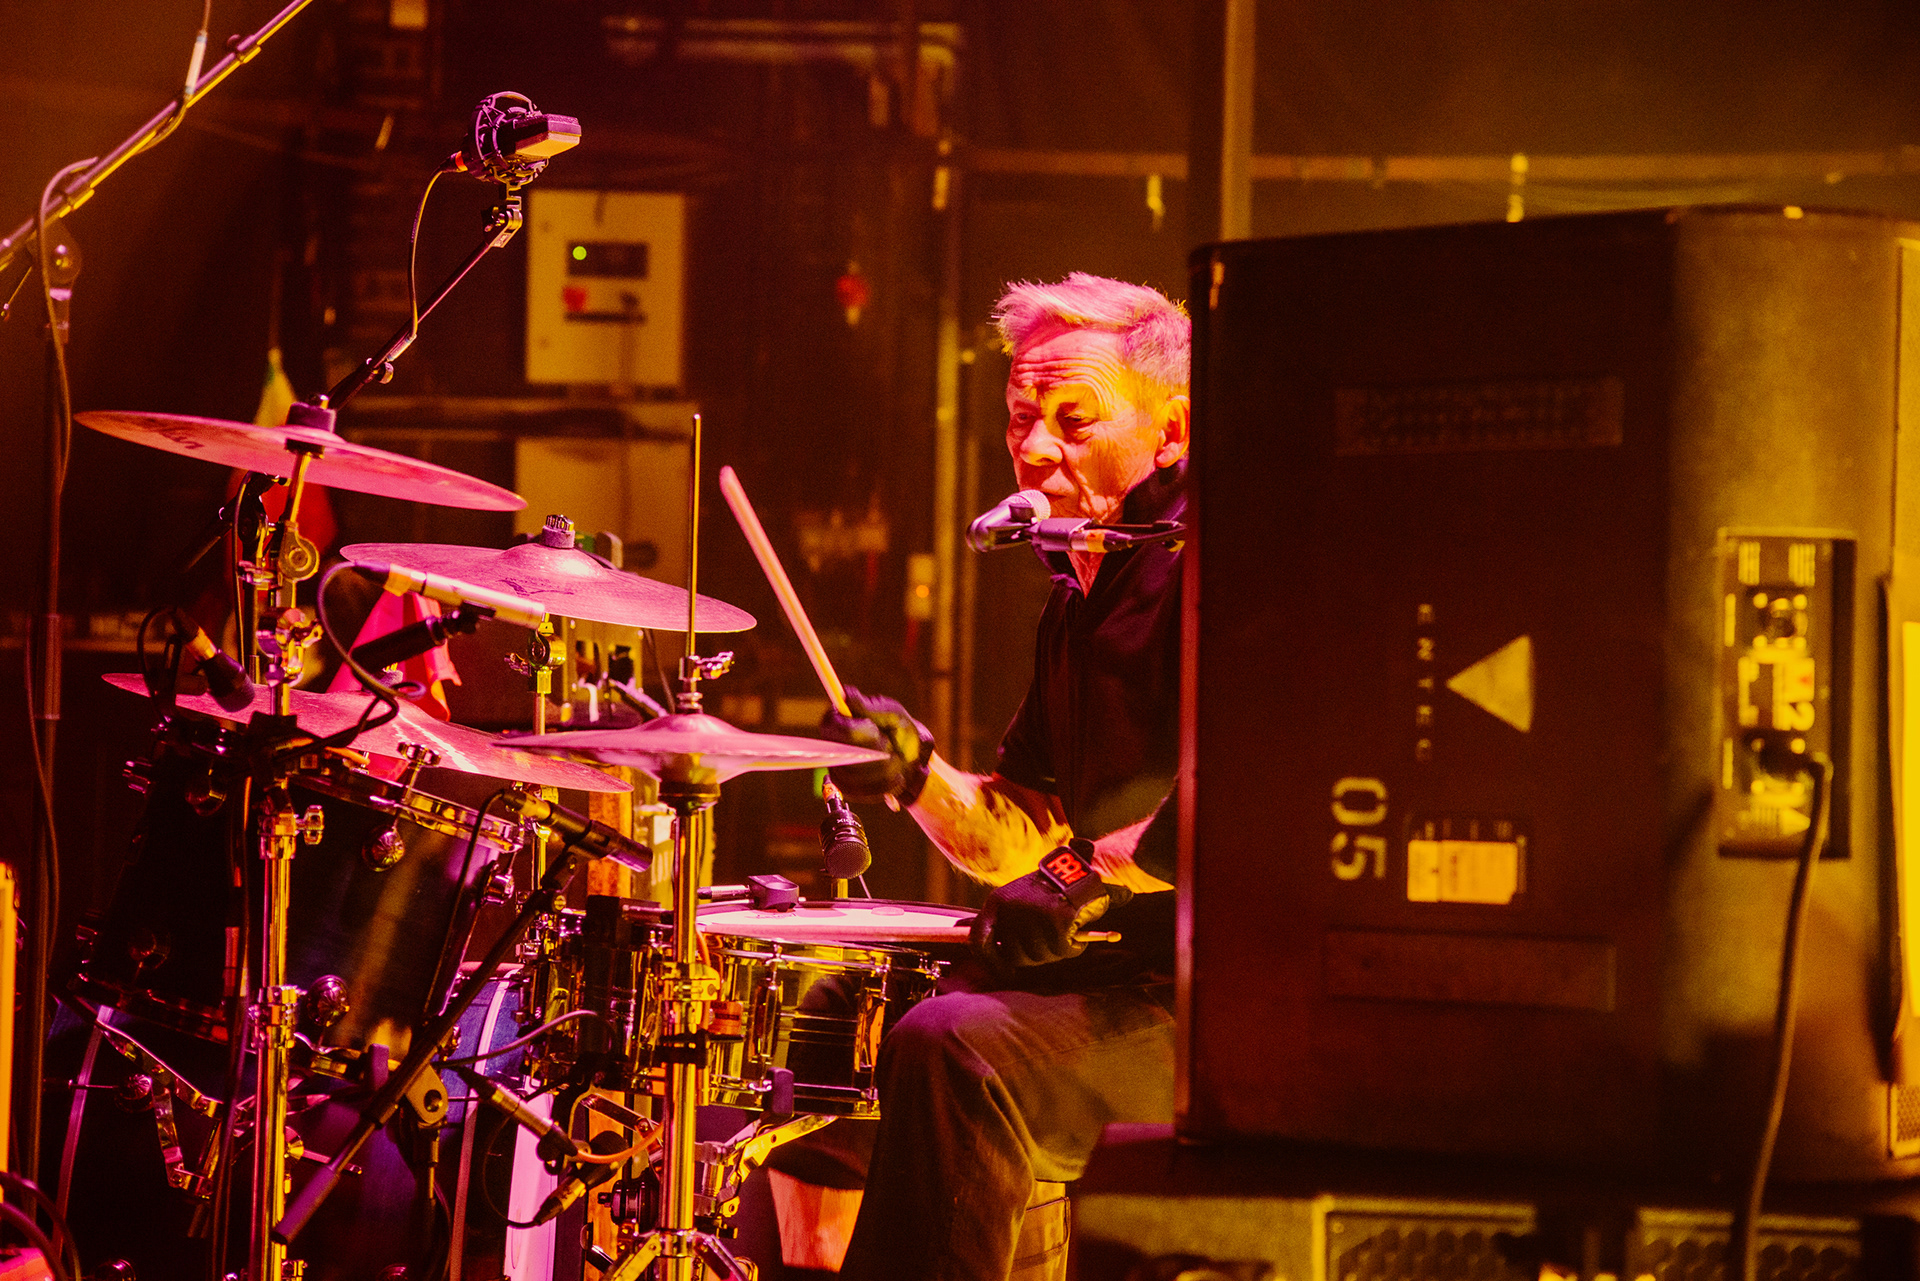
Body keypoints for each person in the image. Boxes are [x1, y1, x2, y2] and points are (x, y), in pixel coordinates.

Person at [819, 271, 1190, 1280]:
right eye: (1024, 418)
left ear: (1170, 431)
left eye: (1074, 419)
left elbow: (1241, 792)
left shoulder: (1213, 572)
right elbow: (1022, 825)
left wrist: (1078, 877)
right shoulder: (1079, 596)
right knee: (853, 1016)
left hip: (1215, 1018)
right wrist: (915, 775)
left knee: (958, 1050)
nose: (1035, 448)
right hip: (1120, 983)